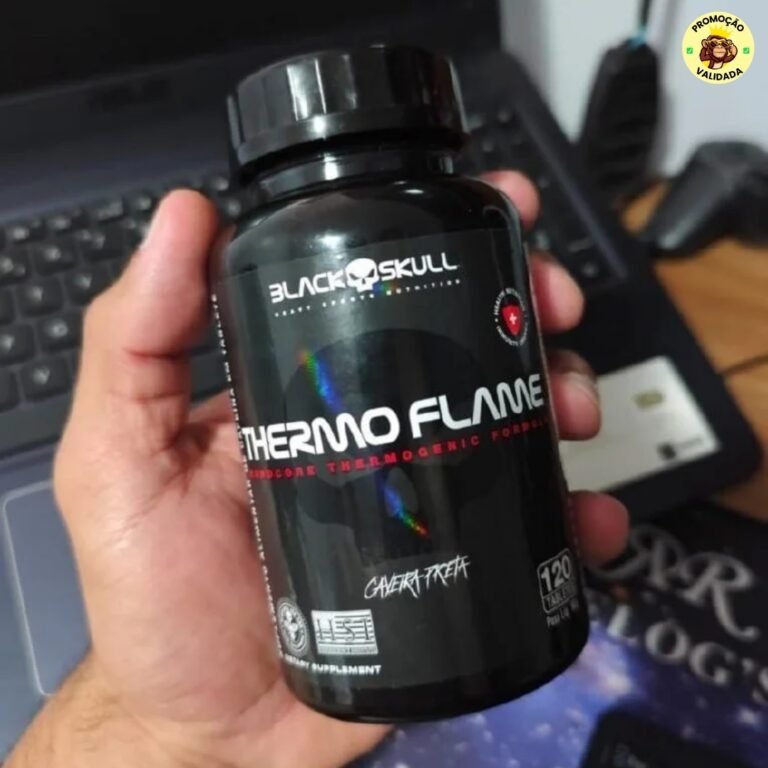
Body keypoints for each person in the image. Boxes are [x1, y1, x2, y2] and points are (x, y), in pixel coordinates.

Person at [6, 170, 628, 768]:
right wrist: (163, 733)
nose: (400, 489)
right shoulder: (258, 252)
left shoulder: (472, 216)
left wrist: (160, 736)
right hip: (301, 662)